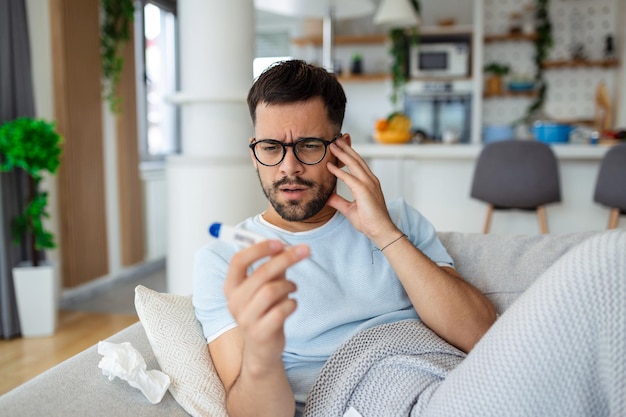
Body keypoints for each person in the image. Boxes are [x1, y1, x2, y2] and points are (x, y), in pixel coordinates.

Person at [192, 59, 497, 417]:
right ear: (255, 154)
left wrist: (383, 233)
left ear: (342, 149)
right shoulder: (224, 259)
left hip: (446, 389)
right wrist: (261, 351)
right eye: (272, 148)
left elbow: (481, 334)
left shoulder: (397, 220)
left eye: (308, 145)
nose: (289, 168)